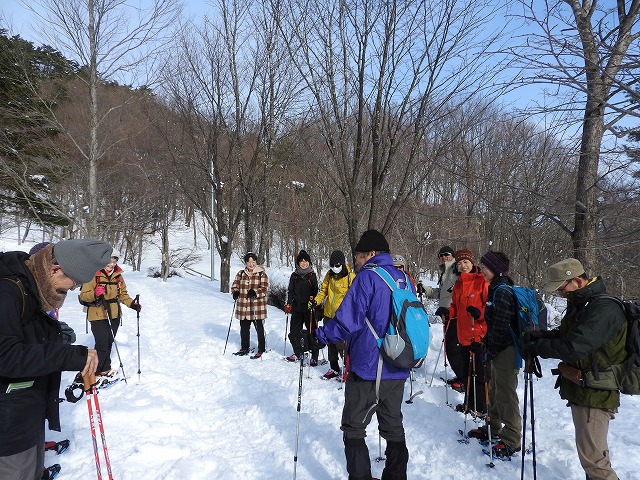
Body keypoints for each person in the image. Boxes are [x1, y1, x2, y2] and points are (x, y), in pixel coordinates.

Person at [0, 239, 110, 479]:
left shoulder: (34, 288)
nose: (73, 289)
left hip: (28, 413)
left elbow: (30, 341)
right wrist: (69, 355)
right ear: (55, 269)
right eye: (74, 282)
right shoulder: (8, 291)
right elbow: (5, 355)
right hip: (8, 428)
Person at [313, 229, 410, 480]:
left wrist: (320, 336)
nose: (355, 260)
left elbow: (348, 321)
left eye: (358, 255)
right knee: (394, 427)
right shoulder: (403, 278)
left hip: (368, 366)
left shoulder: (366, 278)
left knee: (354, 427)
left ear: (371, 254)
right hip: (398, 363)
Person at [522, 259, 626, 480]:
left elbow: (573, 347)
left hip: (596, 393)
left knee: (595, 463)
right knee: (592, 458)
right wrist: (542, 336)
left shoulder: (603, 308)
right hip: (585, 389)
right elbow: (568, 335)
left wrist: (538, 347)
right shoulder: (584, 303)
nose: (560, 294)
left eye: (562, 288)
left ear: (577, 281)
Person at [468, 251, 522, 458]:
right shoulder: (496, 289)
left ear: (496, 269)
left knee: (506, 392)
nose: (481, 270)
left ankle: (511, 438)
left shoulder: (502, 292)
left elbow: (501, 325)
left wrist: (490, 347)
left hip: (506, 350)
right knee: (495, 388)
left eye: (485, 267)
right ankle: (493, 425)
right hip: (499, 348)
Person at [439, 249, 488, 414]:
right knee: (468, 372)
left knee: (479, 374)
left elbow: (490, 308)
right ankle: (470, 403)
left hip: (479, 335)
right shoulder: (459, 283)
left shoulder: (482, 282)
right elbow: (455, 306)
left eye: (465, 262)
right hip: (463, 334)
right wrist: (448, 312)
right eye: (459, 263)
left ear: (472, 263)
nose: (462, 266)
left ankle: (481, 408)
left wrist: (479, 314)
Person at [79, 253, 140, 378]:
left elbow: (123, 294)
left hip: (114, 314)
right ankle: (94, 372)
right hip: (97, 313)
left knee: (109, 342)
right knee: (101, 344)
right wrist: (95, 293)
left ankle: (105, 369)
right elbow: (83, 295)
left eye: (114, 261)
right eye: (109, 261)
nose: (111, 264)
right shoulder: (94, 274)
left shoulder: (118, 276)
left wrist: (132, 304)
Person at [310, 250, 355, 380]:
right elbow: (323, 290)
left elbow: (354, 297)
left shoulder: (350, 277)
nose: (334, 268)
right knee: (330, 341)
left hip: (342, 317)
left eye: (337, 265)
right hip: (328, 314)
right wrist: (316, 301)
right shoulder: (329, 276)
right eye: (332, 266)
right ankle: (334, 367)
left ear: (342, 264)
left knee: (341, 343)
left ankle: (348, 369)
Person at [431, 246, 465, 390]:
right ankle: (460, 375)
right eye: (441, 255)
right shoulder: (445, 272)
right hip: (447, 315)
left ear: (453, 256)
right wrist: (426, 290)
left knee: (454, 349)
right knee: (450, 348)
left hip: (456, 315)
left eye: (447, 254)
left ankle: (464, 380)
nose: (444, 257)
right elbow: (443, 293)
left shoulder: (455, 270)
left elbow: (461, 290)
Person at [230, 252, 269, 358]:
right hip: (243, 306)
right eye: (249, 262)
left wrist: (255, 292)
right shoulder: (241, 273)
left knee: (259, 329)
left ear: (256, 262)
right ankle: (245, 347)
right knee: (244, 329)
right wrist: (235, 292)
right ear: (246, 262)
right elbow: (234, 285)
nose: (251, 264)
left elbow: (265, 289)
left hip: (257, 307)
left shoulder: (261, 274)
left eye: (253, 261)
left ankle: (262, 348)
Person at [285, 249, 319, 364]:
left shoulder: (312, 275)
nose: (304, 263)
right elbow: (290, 290)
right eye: (301, 261)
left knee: (312, 333)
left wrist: (314, 301)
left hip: (309, 309)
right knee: (294, 332)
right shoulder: (294, 276)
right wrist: (289, 303)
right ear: (298, 263)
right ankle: (298, 353)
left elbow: (316, 291)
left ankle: (314, 356)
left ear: (309, 262)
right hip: (297, 308)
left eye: (306, 261)